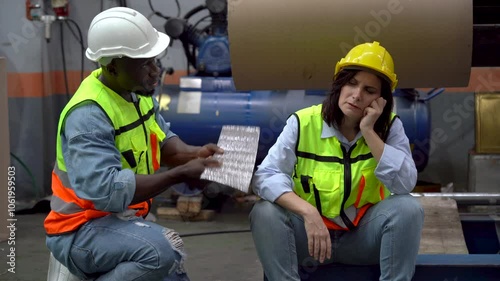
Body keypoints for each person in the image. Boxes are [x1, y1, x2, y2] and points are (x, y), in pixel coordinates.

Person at [44, 7, 223, 281]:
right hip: (81, 228)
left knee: (175, 274)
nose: (155, 71)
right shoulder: (89, 115)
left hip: (120, 219)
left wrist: (195, 154)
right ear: (112, 65)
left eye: (155, 60)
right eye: (144, 64)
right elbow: (108, 192)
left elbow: (162, 143)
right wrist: (179, 174)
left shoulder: (137, 95)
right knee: (161, 251)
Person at [250, 41, 424, 281]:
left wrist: (370, 132)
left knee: (408, 208)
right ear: (339, 84)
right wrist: (308, 213)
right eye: (352, 83)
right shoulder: (303, 123)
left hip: (362, 239)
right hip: (310, 239)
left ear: (380, 100)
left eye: (369, 91)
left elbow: (405, 185)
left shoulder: (390, 127)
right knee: (265, 212)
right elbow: (265, 175)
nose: (357, 95)